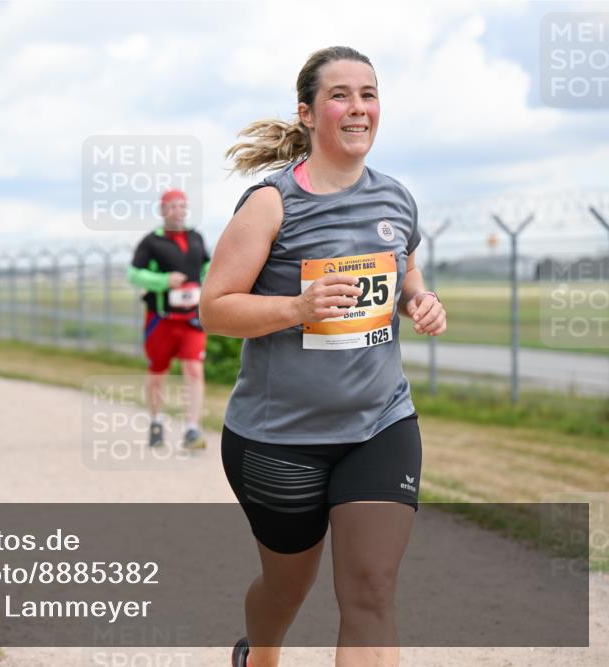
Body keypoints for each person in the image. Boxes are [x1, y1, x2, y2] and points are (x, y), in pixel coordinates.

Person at [199, 47, 447, 667]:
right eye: (340, 95)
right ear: (309, 113)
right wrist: (296, 308)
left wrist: (420, 297)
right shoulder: (271, 204)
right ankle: (259, 654)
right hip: (280, 439)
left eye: (369, 93)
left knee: (370, 592)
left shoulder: (395, 198)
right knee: (286, 589)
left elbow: (405, 267)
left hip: (379, 424)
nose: (358, 107)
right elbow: (215, 307)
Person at [127, 188, 211, 450]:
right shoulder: (151, 241)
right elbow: (134, 275)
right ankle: (155, 421)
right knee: (157, 373)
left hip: (192, 319)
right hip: (160, 319)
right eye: (173, 206)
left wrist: (208, 287)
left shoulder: (196, 237)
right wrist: (164, 281)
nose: (179, 211)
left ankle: (192, 429)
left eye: (182, 206)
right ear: (163, 210)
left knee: (194, 369)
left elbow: (207, 268)